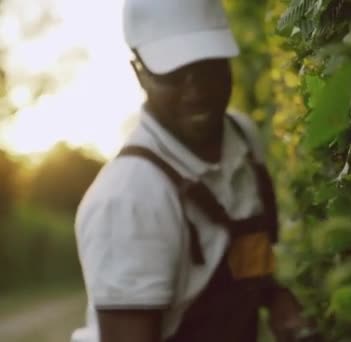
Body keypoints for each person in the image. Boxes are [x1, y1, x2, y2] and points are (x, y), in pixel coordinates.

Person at [71, 0, 307, 341]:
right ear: (140, 73)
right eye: (175, 73)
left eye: (209, 66)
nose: (198, 91)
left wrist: (276, 298)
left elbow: (242, 255)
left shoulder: (241, 138)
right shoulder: (127, 200)